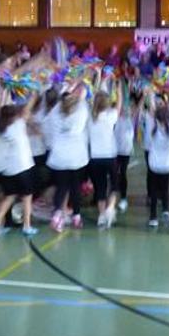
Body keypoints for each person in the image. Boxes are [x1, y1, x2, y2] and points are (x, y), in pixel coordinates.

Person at [0, 95, 39, 235]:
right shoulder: (17, 125)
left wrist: (4, 90)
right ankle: (27, 226)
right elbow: (26, 109)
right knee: (27, 198)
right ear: (14, 117)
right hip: (22, 167)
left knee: (9, 196)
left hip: (7, 169)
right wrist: (34, 93)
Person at [46, 86, 91, 231]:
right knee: (75, 188)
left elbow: (61, 101)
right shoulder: (80, 113)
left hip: (59, 157)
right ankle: (76, 217)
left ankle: (56, 215)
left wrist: (69, 86)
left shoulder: (56, 114)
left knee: (61, 187)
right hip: (76, 158)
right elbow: (83, 96)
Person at [142, 90, 169, 229]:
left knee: (153, 191)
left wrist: (150, 93)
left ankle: (153, 218)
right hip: (167, 165)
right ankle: (166, 211)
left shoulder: (152, 126)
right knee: (165, 189)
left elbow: (152, 110)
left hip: (154, 165)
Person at [87, 85, 123, 229]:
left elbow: (90, 102)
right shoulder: (111, 115)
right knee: (114, 185)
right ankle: (110, 208)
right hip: (110, 156)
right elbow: (119, 104)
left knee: (100, 187)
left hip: (95, 158)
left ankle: (101, 216)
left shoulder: (90, 118)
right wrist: (119, 91)